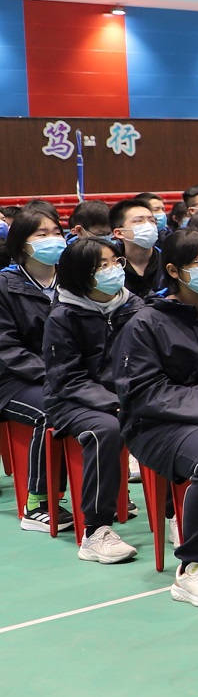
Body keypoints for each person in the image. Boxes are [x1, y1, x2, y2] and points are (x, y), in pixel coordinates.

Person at [113, 227, 198, 605]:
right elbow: (146, 391)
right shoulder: (145, 322)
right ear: (173, 270)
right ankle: (195, 565)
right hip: (156, 424)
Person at [42, 237, 140, 563]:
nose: (113, 270)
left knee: (172, 421)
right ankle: (96, 531)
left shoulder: (135, 307)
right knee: (106, 430)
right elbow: (67, 377)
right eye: (102, 266)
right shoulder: (63, 316)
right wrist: (114, 402)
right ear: (81, 274)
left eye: (115, 262)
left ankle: (174, 515)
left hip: (125, 396)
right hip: (71, 400)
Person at [1, 206, 63, 532]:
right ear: (22, 244)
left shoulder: (73, 281)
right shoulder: (4, 285)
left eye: (56, 232)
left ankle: (104, 493)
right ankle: (38, 503)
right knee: (51, 410)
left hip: (63, 376)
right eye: (42, 234)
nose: (53, 239)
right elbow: (6, 348)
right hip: (13, 379)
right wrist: (54, 377)